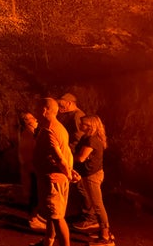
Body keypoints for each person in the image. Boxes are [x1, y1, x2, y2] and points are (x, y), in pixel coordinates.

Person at [30, 98, 74, 246]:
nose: (34, 111)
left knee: (57, 216)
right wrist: (70, 171)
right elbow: (67, 152)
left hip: (53, 180)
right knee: (51, 214)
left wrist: (67, 175)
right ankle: (48, 242)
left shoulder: (50, 130)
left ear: (44, 110)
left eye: (37, 108)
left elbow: (60, 158)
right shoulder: (57, 127)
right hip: (52, 177)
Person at [73, 115, 115, 246]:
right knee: (95, 203)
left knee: (97, 205)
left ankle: (106, 238)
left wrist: (65, 157)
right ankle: (103, 230)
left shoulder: (91, 140)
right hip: (91, 173)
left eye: (83, 124)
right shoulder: (88, 137)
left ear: (90, 126)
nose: (80, 125)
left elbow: (81, 158)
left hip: (92, 175)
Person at [57, 93, 97, 229]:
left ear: (69, 103)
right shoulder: (70, 115)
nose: (59, 107)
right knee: (80, 186)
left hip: (77, 155)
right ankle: (85, 213)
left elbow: (78, 137)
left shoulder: (77, 116)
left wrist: (67, 152)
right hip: (75, 154)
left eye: (61, 104)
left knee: (82, 186)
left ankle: (90, 217)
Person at [18, 112, 46, 230]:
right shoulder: (28, 134)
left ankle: (35, 215)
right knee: (34, 193)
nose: (36, 119)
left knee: (36, 192)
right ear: (26, 121)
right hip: (32, 168)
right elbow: (29, 153)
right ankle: (33, 219)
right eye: (32, 118)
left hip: (32, 167)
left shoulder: (31, 133)